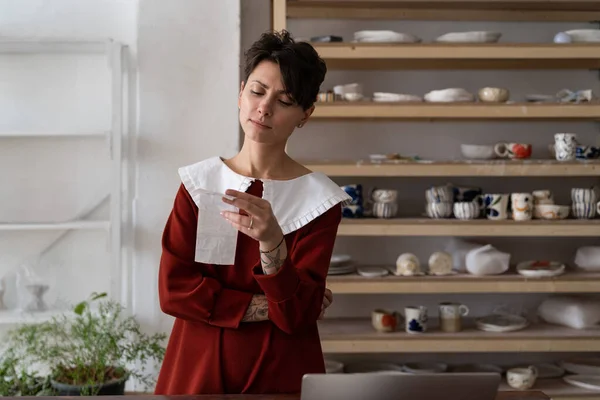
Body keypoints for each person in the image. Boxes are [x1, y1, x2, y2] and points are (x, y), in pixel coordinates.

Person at [154, 30, 351, 395]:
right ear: (241, 93)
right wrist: (270, 303)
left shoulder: (319, 201)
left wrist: (273, 240)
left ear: (305, 114)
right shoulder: (200, 184)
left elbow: (295, 319)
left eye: (285, 100)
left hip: (282, 372)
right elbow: (174, 292)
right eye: (257, 92)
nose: (264, 108)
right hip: (197, 368)